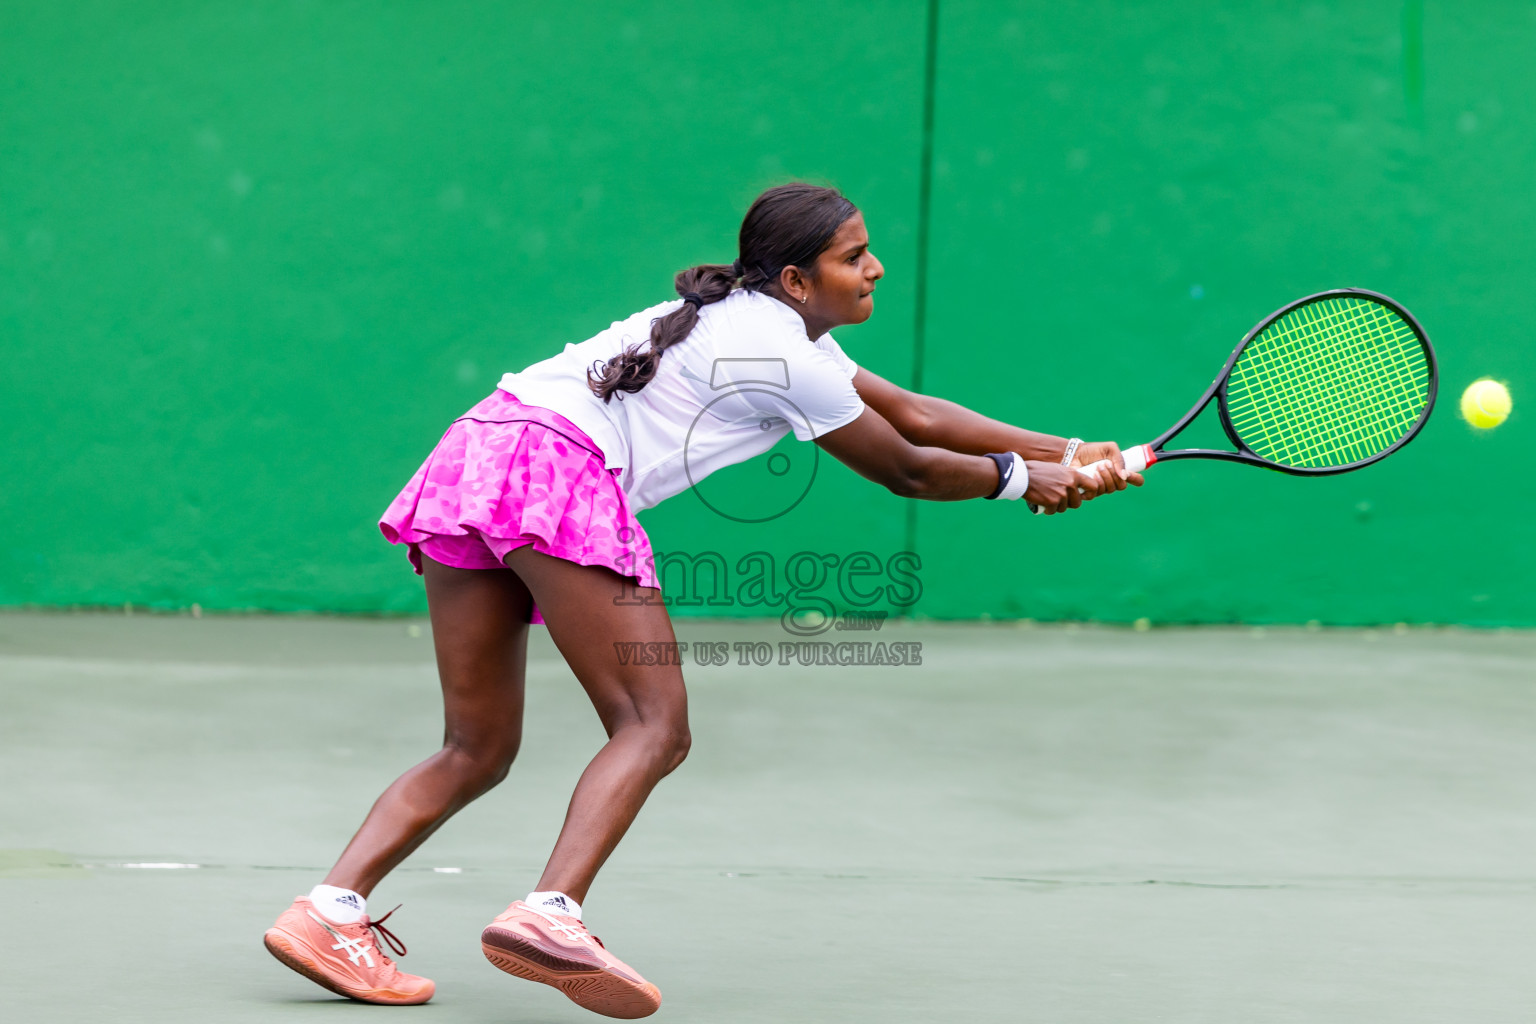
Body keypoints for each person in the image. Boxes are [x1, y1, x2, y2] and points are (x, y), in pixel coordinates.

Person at [262, 182, 1142, 1018]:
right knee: (654, 724)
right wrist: (1023, 480)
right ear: (797, 281)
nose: (876, 268)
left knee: (477, 744)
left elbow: (912, 411)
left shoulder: (762, 325)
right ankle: (550, 911)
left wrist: (1067, 447)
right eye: (855, 256)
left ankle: (328, 911)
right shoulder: (782, 355)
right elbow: (907, 466)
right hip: (558, 469)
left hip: (480, 449)